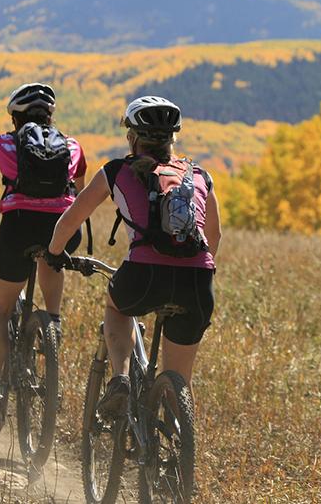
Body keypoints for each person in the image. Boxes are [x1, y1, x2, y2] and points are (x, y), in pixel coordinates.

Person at [45, 95, 220, 417]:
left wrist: (54, 254)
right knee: (180, 377)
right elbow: (214, 237)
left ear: (132, 138)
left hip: (142, 276)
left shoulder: (115, 171)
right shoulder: (199, 176)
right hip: (197, 282)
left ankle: (120, 380)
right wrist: (197, 270)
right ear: (172, 139)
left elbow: (71, 218)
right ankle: (176, 455)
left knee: (117, 307)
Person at [0, 82, 87, 423]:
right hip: (63, 228)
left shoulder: (2, 144)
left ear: (15, 117)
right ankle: (52, 324)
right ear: (49, 116)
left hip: (17, 227)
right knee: (53, 257)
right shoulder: (72, 146)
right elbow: (80, 198)